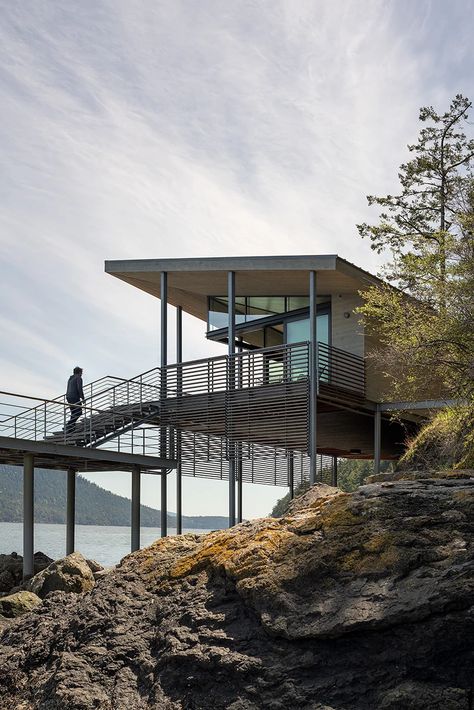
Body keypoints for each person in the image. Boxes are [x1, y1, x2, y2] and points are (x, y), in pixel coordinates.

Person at [65, 366, 85, 433]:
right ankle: (68, 426)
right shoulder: (78, 378)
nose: (81, 374)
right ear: (79, 372)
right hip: (74, 397)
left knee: (74, 412)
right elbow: (79, 388)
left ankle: (71, 427)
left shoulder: (70, 378)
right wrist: (83, 398)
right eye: (81, 373)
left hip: (68, 396)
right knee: (79, 412)